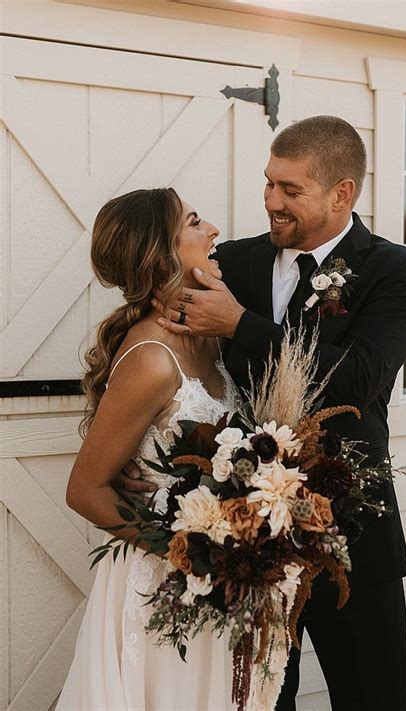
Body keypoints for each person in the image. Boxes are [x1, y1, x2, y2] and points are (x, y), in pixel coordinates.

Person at [121, 116, 406, 710]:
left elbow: (361, 380)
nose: (271, 202)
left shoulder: (396, 272)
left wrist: (240, 325)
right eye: (268, 184)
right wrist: (126, 451)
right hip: (243, 546)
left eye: (291, 190)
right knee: (258, 702)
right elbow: (144, 332)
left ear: (343, 192)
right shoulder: (230, 263)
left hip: (352, 541)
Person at [57, 187, 241, 710]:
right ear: (162, 257)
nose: (213, 231)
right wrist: (189, 556)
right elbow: (84, 490)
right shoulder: (152, 359)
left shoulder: (209, 337)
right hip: (163, 581)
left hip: (217, 582)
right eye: (195, 222)